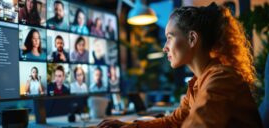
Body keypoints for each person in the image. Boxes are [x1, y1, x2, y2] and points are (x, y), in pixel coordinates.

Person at [97, 2, 262, 128]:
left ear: (192, 39)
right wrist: (130, 126)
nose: (164, 47)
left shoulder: (221, 79)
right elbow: (174, 122)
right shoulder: (199, 81)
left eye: (170, 37)